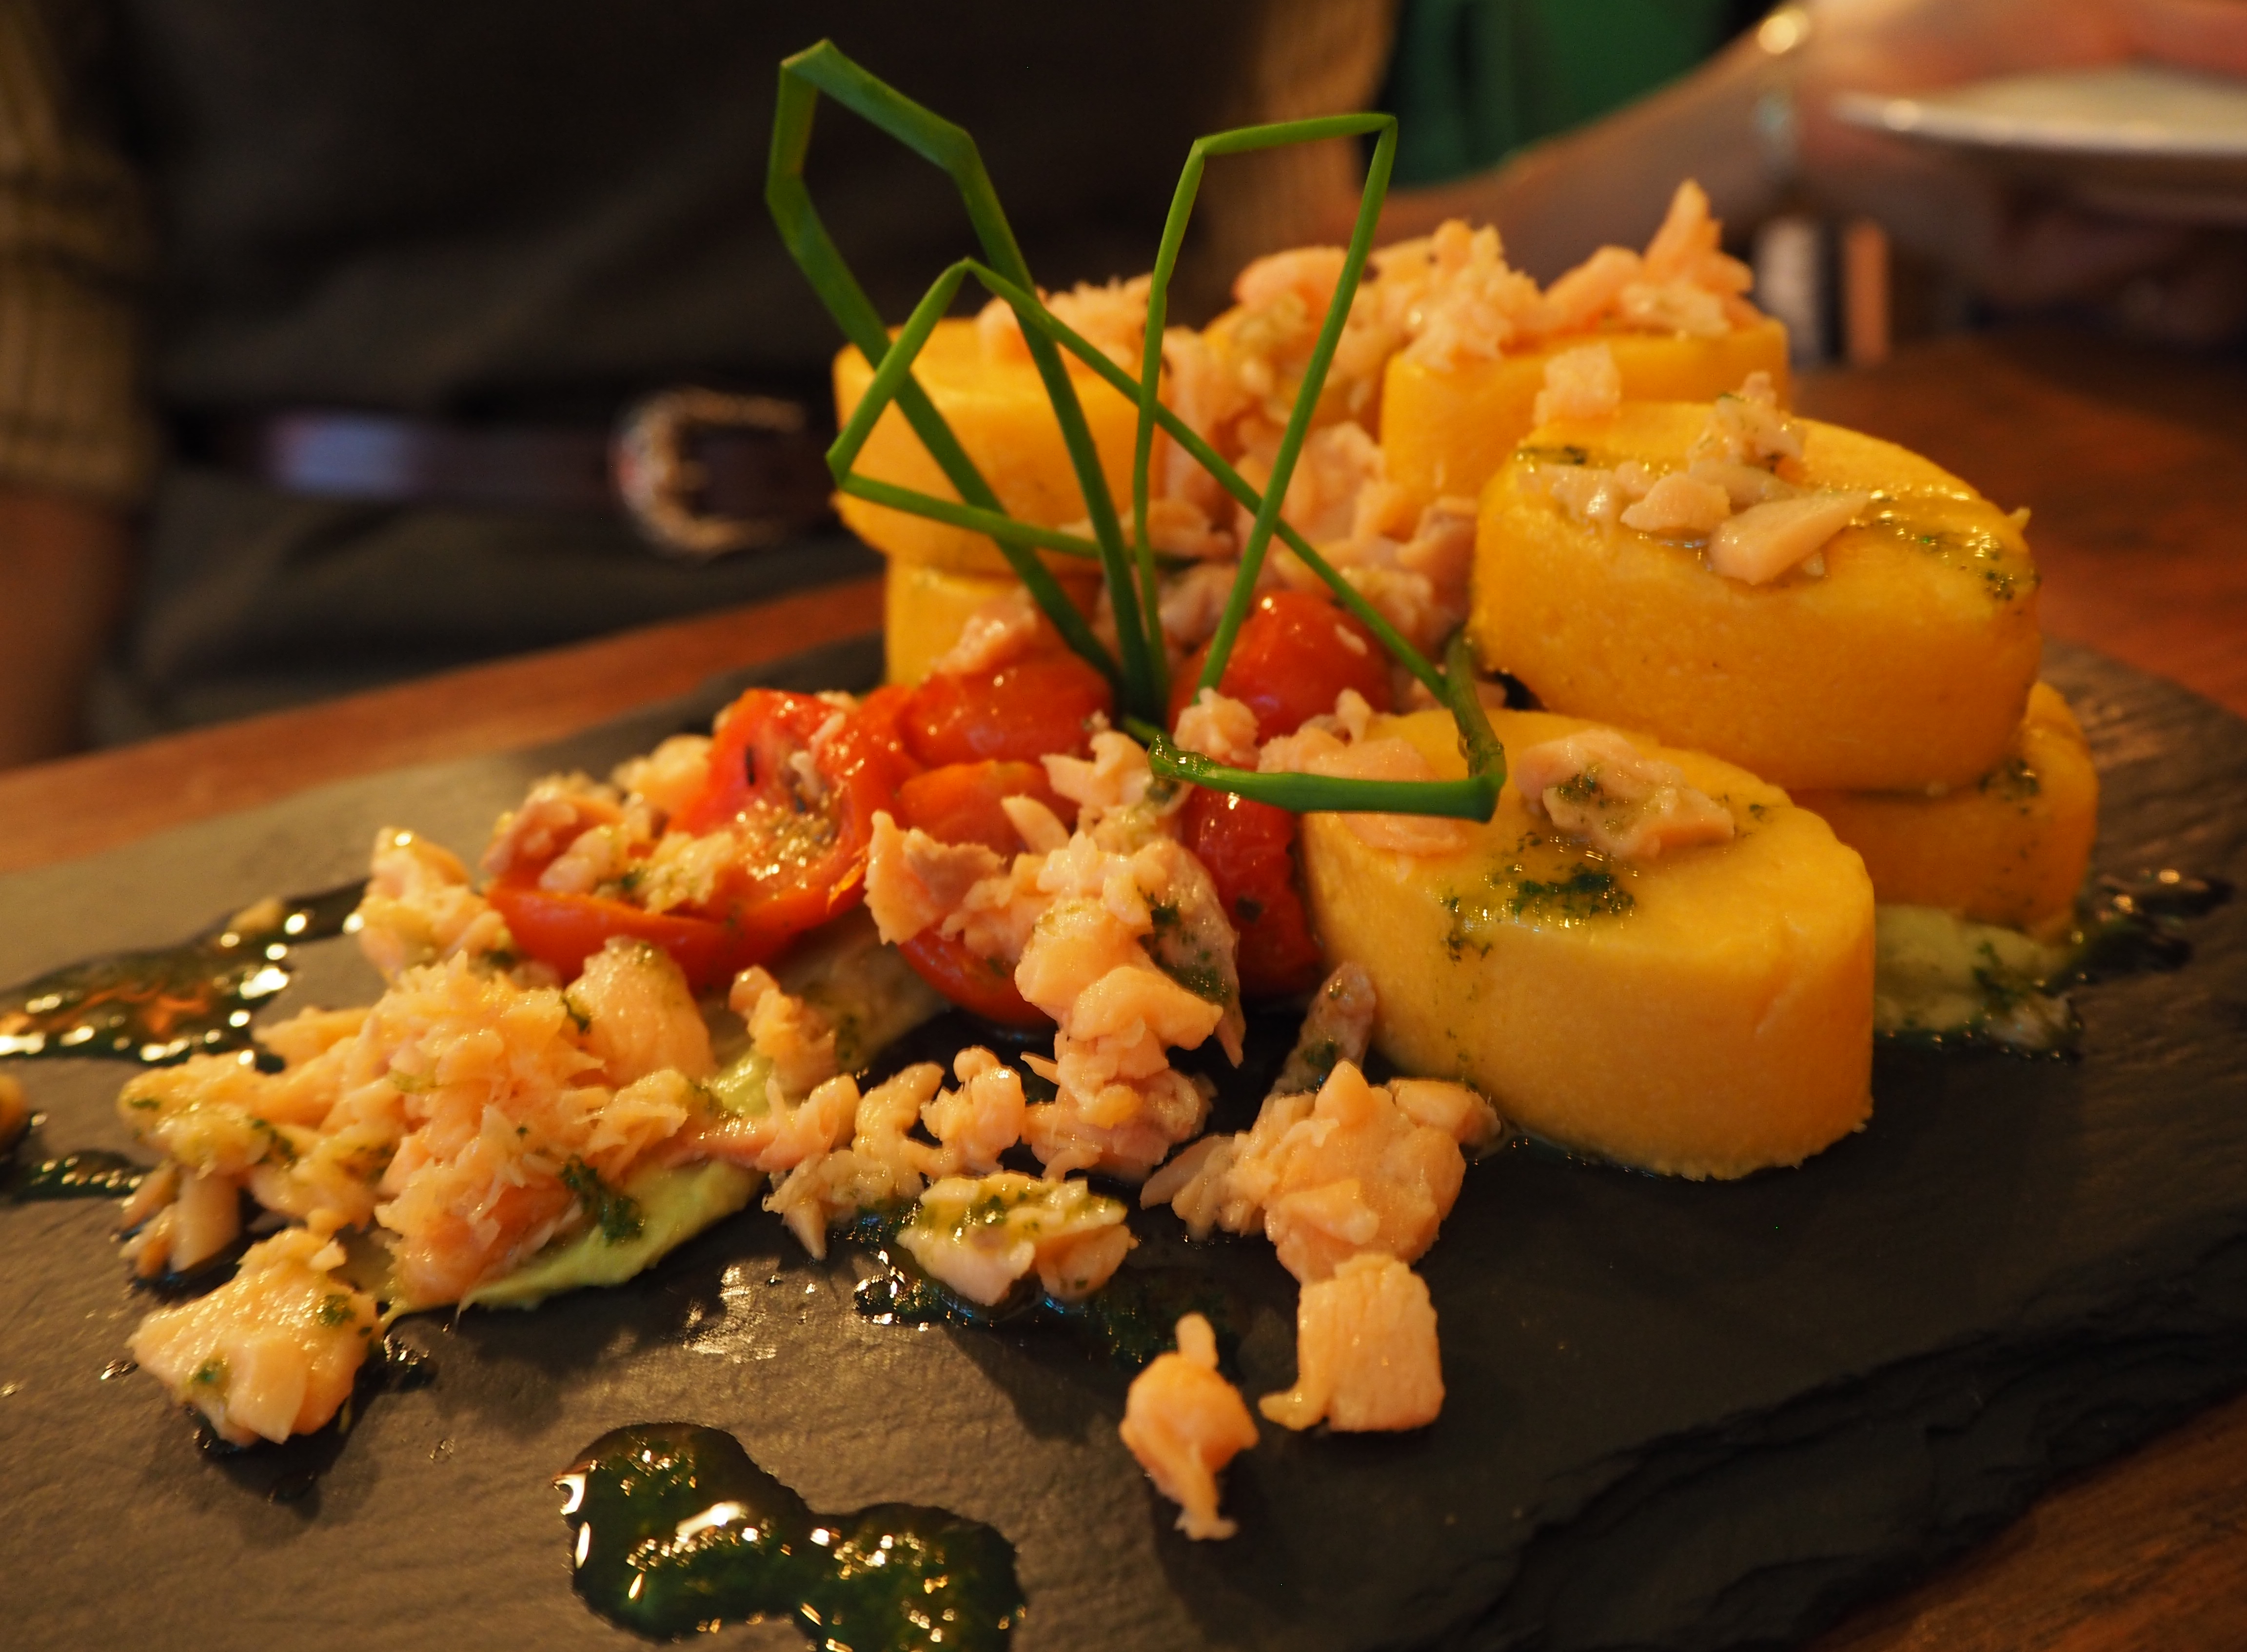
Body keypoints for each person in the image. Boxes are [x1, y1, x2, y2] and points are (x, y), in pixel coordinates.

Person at [2, 0, 2244, 769]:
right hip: (339, 698)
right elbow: (36, 391)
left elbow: (1277, 279)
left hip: (1141, 665)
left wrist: (1791, 111)